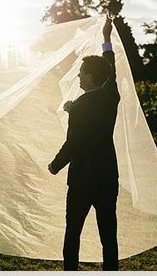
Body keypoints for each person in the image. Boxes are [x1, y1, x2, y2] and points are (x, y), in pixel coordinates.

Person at [49, 17, 120, 271]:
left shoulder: (80, 106)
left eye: (82, 73)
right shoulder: (111, 96)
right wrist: (107, 40)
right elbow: (111, 69)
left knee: (73, 233)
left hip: (81, 180)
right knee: (108, 234)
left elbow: (75, 143)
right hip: (107, 177)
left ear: (90, 77)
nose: (78, 77)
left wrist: (55, 164)